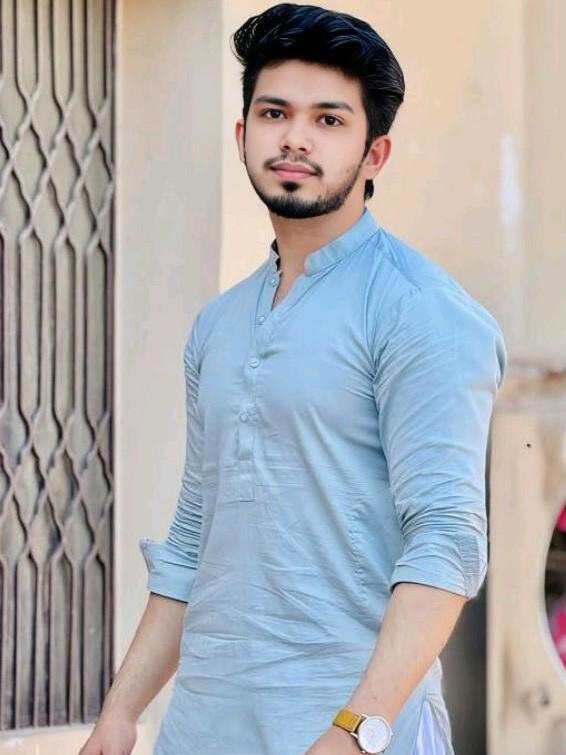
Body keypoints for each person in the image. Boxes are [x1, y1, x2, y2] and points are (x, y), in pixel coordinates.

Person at [79, 3, 507, 754]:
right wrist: (120, 713)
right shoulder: (218, 324)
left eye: (329, 120)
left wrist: (356, 730)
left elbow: (446, 539)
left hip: (346, 731)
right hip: (202, 730)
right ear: (243, 135)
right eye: (274, 113)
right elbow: (194, 537)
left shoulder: (422, 312)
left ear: (376, 154)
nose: (295, 138)